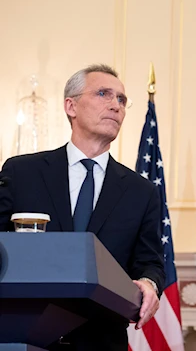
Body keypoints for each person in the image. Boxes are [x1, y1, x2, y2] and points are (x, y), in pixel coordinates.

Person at [0, 64, 165, 351]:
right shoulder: (21, 173)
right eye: (104, 94)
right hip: (25, 338)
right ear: (71, 106)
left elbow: (149, 261)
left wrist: (150, 284)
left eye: (122, 100)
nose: (116, 106)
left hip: (101, 341)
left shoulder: (142, 192)